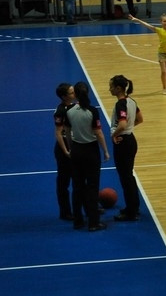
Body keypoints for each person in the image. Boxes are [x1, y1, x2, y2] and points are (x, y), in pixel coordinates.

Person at [66, 82, 109, 231]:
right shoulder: (92, 111)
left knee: (77, 187)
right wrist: (105, 150)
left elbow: (67, 131)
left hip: (77, 150)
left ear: (75, 95)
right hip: (91, 151)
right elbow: (98, 133)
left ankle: (77, 221)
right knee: (92, 187)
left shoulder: (70, 111)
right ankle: (93, 222)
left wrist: (72, 149)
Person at [109, 74, 144, 222]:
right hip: (131, 140)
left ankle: (131, 212)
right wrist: (128, 129)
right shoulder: (132, 101)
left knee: (125, 178)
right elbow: (140, 119)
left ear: (118, 88)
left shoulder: (121, 104)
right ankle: (134, 207)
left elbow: (122, 124)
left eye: (111, 86)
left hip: (123, 143)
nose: (109, 89)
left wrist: (115, 134)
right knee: (128, 176)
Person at [54, 82, 76, 221]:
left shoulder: (75, 107)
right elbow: (58, 133)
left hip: (75, 146)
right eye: (71, 93)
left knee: (81, 179)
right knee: (64, 182)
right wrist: (66, 151)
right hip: (64, 150)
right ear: (63, 97)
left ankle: (88, 206)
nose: (74, 94)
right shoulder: (60, 111)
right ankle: (65, 212)